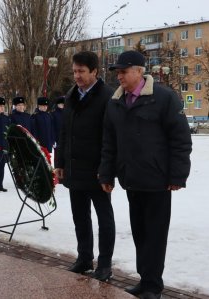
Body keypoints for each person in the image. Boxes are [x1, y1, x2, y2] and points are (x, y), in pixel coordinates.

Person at [99, 50, 192, 299]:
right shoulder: (116, 102)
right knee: (140, 233)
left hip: (158, 181)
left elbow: (181, 139)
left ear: (139, 72)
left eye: (123, 71)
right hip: (132, 179)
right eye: (117, 72)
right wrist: (106, 175)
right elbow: (109, 142)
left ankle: (153, 286)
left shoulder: (164, 98)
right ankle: (145, 279)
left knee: (155, 235)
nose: (119, 76)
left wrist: (177, 176)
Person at [54, 51, 116, 282]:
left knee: (104, 218)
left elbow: (111, 137)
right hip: (73, 168)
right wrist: (59, 162)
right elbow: (64, 132)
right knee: (80, 216)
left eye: (81, 71)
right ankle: (84, 258)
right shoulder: (71, 95)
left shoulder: (108, 97)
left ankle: (105, 264)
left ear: (94, 72)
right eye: (74, 71)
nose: (77, 76)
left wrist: (107, 169)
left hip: (98, 171)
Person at [51, 96, 65, 160]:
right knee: (58, 156)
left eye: (63, 104)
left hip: (65, 138)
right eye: (61, 104)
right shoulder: (53, 114)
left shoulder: (67, 113)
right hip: (57, 138)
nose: (62, 105)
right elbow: (52, 127)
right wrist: (53, 140)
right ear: (58, 104)